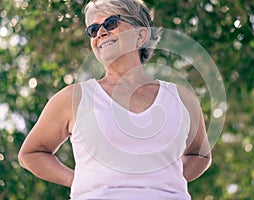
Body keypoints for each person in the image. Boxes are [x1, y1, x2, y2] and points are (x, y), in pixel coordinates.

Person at [18, 0, 212, 199]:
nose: (100, 32)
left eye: (111, 23)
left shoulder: (182, 99)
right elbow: (31, 153)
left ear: (141, 35)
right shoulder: (73, 98)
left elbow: (200, 155)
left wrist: (162, 181)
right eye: (93, 30)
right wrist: (78, 180)